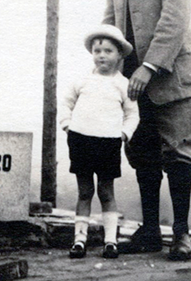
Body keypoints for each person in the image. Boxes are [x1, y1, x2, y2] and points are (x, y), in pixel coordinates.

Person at [103, 0, 191, 261]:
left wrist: (149, 67)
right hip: (131, 80)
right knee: (142, 154)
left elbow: (174, 20)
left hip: (172, 77)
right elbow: (110, 22)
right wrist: (105, 64)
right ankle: (149, 231)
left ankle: (181, 235)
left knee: (179, 155)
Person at [58, 25, 140, 260]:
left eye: (108, 51)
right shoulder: (82, 81)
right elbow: (66, 103)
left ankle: (110, 242)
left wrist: (124, 134)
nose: (102, 55)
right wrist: (67, 124)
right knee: (85, 192)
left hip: (108, 144)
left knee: (106, 192)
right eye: (97, 50)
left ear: (119, 55)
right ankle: (79, 241)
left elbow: (132, 114)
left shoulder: (123, 84)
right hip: (81, 140)